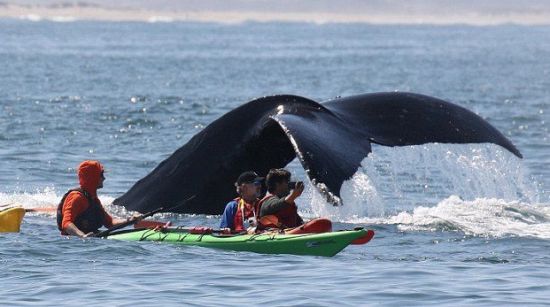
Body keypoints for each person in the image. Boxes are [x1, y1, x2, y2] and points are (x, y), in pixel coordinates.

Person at [56, 160, 135, 237]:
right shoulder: (76, 197)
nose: (104, 178)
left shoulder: (93, 199)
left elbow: (110, 223)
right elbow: (66, 223)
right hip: (74, 243)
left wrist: (129, 220)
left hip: (91, 238)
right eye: (101, 175)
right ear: (92, 177)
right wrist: (82, 236)